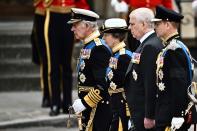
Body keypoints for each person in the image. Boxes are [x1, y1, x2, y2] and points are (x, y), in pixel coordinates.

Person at [69, 8, 112, 131]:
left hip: (98, 111)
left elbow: (103, 84)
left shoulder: (98, 49)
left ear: (87, 26)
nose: (72, 29)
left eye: (75, 25)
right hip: (91, 109)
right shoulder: (89, 45)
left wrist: (85, 102)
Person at [152, 5, 194, 131]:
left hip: (171, 114)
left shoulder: (174, 50)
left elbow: (179, 83)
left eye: (158, 24)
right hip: (166, 110)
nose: (155, 27)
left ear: (167, 25)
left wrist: (178, 114)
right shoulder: (172, 47)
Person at [125, 8, 163, 131]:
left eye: (132, 24)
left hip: (144, 114)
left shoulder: (150, 46)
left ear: (143, 24)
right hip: (139, 111)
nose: (129, 28)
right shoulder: (146, 43)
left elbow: (150, 83)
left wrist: (149, 116)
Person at [44, 0, 75, 116]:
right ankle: (55, 103)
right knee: (54, 64)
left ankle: (67, 102)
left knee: (67, 64)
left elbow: (81, 3)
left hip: (69, 17)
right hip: (53, 17)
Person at [102, 18, 132, 131]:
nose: (103, 38)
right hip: (115, 107)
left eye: (106, 35)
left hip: (123, 108)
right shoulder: (116, 54)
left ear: (116, 35)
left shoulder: (124, 56)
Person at [32, 0, 51, 108]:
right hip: (42, 13)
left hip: (62, 13)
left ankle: (61, 96)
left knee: (62, 61)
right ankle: (47, 95)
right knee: (45, 58)